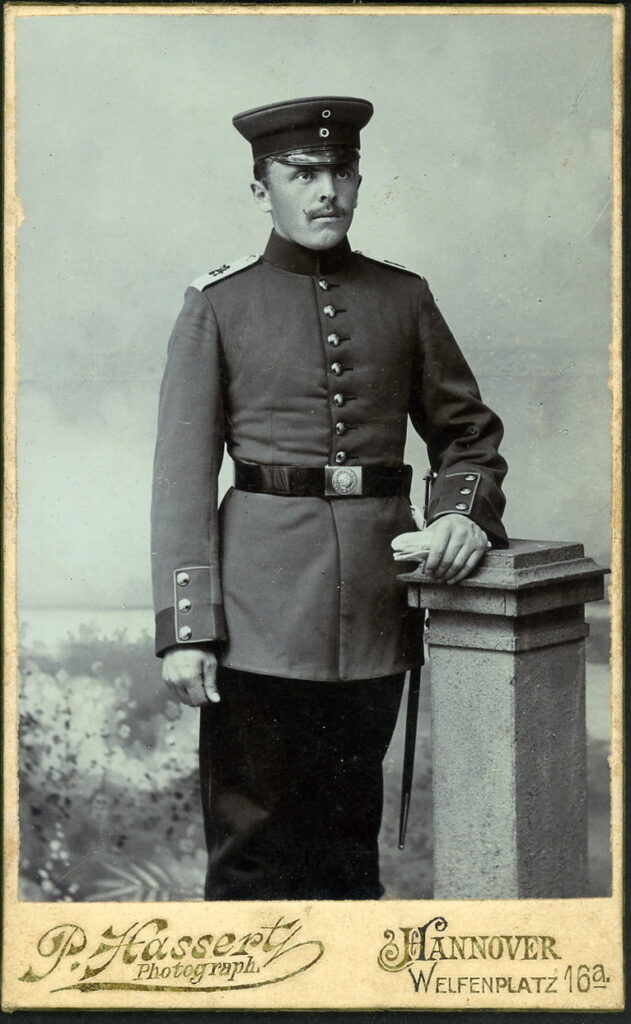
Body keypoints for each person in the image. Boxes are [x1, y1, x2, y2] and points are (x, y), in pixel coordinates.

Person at [151, 95, 508, 901]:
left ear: (356, 179)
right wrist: (185, 631)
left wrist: (459, 513)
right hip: (256, 620)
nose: (324, 192)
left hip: (376, 620)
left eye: (338, 172)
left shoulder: (403, 298)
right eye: (300, 173)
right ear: (260, 188)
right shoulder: (219, 303)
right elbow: (180, 477)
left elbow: (469, 436)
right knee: (252, 854)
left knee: (348, 852)